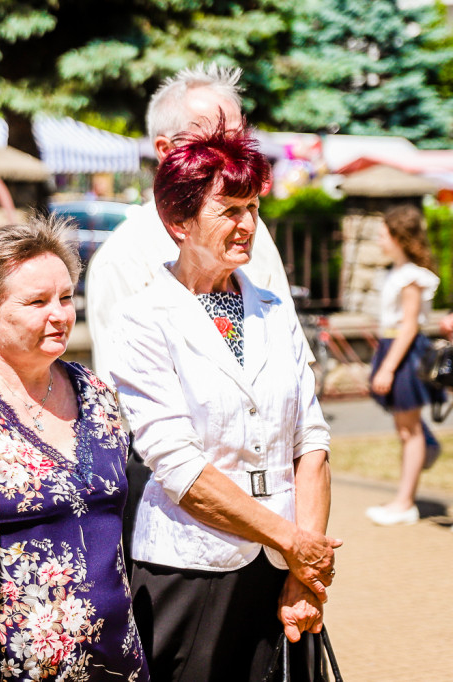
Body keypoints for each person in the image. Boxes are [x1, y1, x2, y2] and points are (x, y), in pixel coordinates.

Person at [106, 124, 340, 682]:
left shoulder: (273, 309)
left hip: (282, 570)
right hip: (190, 569)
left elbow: (312, 440)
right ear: (178, 222)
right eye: (230, 210)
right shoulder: (143, 320)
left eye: (253, 208)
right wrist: (296, 544)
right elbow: (179, 467)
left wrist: (302, 575)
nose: (248, 225)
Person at [86, 63, 299, 569]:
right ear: (165, 153)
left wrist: (299, 530)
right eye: (214, 138)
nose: (233, 149)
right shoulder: (123, 258)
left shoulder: (253, 233)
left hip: (278, 530)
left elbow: (295, 374)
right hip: (184, 532)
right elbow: (130, 416)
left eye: (238, 135)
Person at [0, 217, 149, 681]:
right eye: (36, 302)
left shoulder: (93, 390)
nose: (60, 314)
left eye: (66, 297)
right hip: (6, 667)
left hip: (116, 661)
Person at [366, 204, 444, 526]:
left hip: (405, 350)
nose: (379, 239)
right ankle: (428, 447)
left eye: (384, 234)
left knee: (408, 430)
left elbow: (409, 326)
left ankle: (405, 503)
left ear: (399, 237)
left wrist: (388, 367)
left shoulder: (411, 277)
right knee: (405, 426)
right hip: (393, 346)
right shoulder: (396, 273)